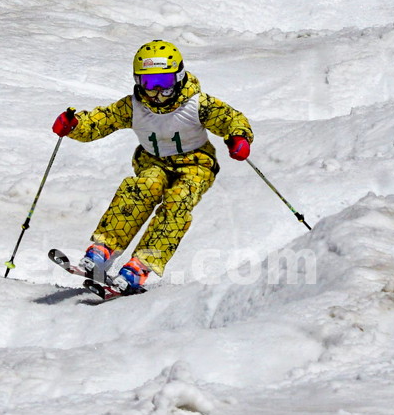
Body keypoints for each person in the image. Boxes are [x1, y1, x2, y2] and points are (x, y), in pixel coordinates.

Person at [51, 40, 253, 294]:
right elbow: (102, 120)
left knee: (178, 202)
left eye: (165, 83)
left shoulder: (198, 103)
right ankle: (104, 250)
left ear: (178, 78)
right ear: (138, 82)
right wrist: (75, 125)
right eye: (149, 84)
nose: (157, 92)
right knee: (140, 189)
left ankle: (140, 266)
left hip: (195, 163)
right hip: (153, 161)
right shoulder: (133, 106)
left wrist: (239, 137)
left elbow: (231, 119)